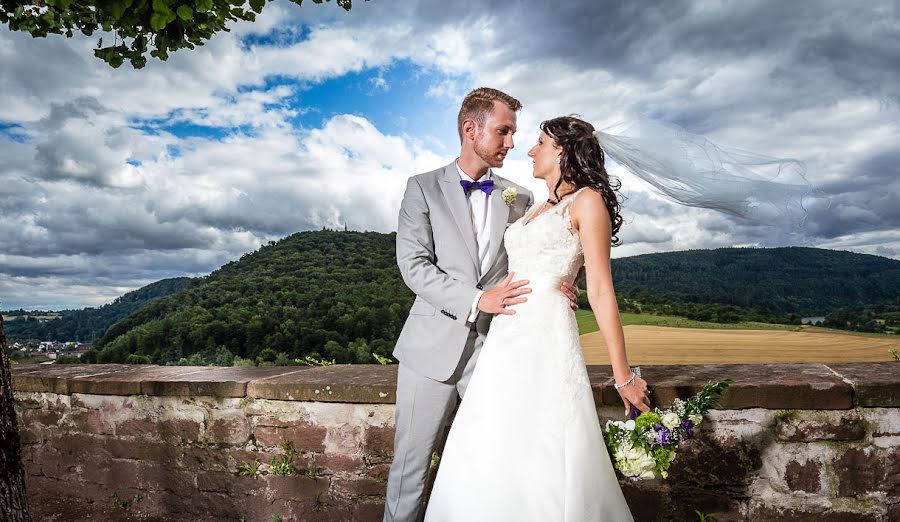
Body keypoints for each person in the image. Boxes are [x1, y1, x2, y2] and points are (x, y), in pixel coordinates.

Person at [423, 116, 650, 521]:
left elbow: (600, 288)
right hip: (505, 339)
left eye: (540, 142)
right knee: (493, 440)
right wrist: (563, 276)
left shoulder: (587, 201)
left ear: (562, 151)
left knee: (544, 442)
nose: (529, 150)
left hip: (546, 336)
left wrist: (623, 376)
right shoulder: (535, 206)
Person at [385, 88, 581, 522]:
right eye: (503, 131)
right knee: (410, 471)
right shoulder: (421, 189)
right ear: (470, 129)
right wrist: (477, 299)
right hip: (429, 351)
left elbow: (545, 249)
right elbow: (413, 266)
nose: (511, 142)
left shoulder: (520, 198)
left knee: (497, 466)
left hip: (498, 352)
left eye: (513, 132)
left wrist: (564, 282)